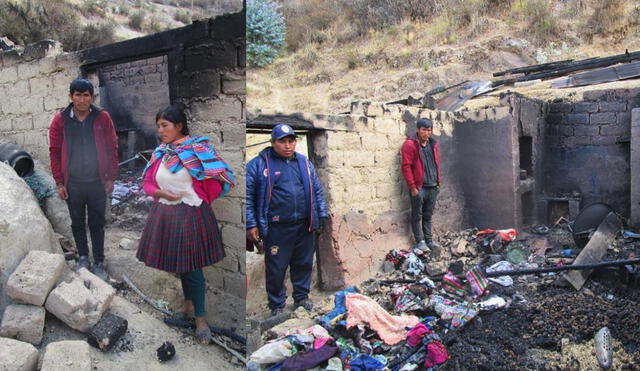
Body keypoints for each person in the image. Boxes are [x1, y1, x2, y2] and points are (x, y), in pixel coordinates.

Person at [136, 104, 235, 343]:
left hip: (190, 214)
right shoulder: (160, 153)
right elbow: (147, 183)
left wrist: (200, 197)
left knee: (193, 267)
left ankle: (201, 319)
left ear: (179, 126)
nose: (160, 130)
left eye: (165, 125)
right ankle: (188, 305)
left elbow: (220, 175)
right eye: (158, 126)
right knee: (181, 264)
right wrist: (160, 193)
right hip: (166, 214)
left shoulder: (198, 149)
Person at [246, 123, 328, 316]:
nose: (287, 145)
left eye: (291, 141)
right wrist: (251, 223)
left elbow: (317, 190)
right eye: (282, 141)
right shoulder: (259, 165)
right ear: (273, 142)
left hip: (303, 224)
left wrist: (321, 214)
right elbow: (248, 196)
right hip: (276, 228)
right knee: (276, 268)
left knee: (303, 263)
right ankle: (277, 305)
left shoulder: (304, 163)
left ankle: (301, 298)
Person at [49, 78, 118, 280]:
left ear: (92, 97)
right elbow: (54, 152)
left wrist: (111, 177)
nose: (82, 99)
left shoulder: (102, 118)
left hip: (97, 182)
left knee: (97, 223)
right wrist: (60, 182)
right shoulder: (60, 120)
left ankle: (99, 261)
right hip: (74, 183)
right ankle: (83, 258)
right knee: (77, 223)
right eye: (77, 95)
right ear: (71, 97)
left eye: (86, 95)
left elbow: (112, 148)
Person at [401, 118, 441, 251]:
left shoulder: (432, 144)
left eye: (429, 130)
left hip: (433, 186)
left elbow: (435, 163)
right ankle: (420, 242)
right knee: (417, 215)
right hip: (419, 188)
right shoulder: (410, 145)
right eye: (423, 130)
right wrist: (413, 187)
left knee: (428, 215)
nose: (426, 133)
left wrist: (438, 183)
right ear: (418, 130)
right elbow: (406, 167)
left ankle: (429, 241)